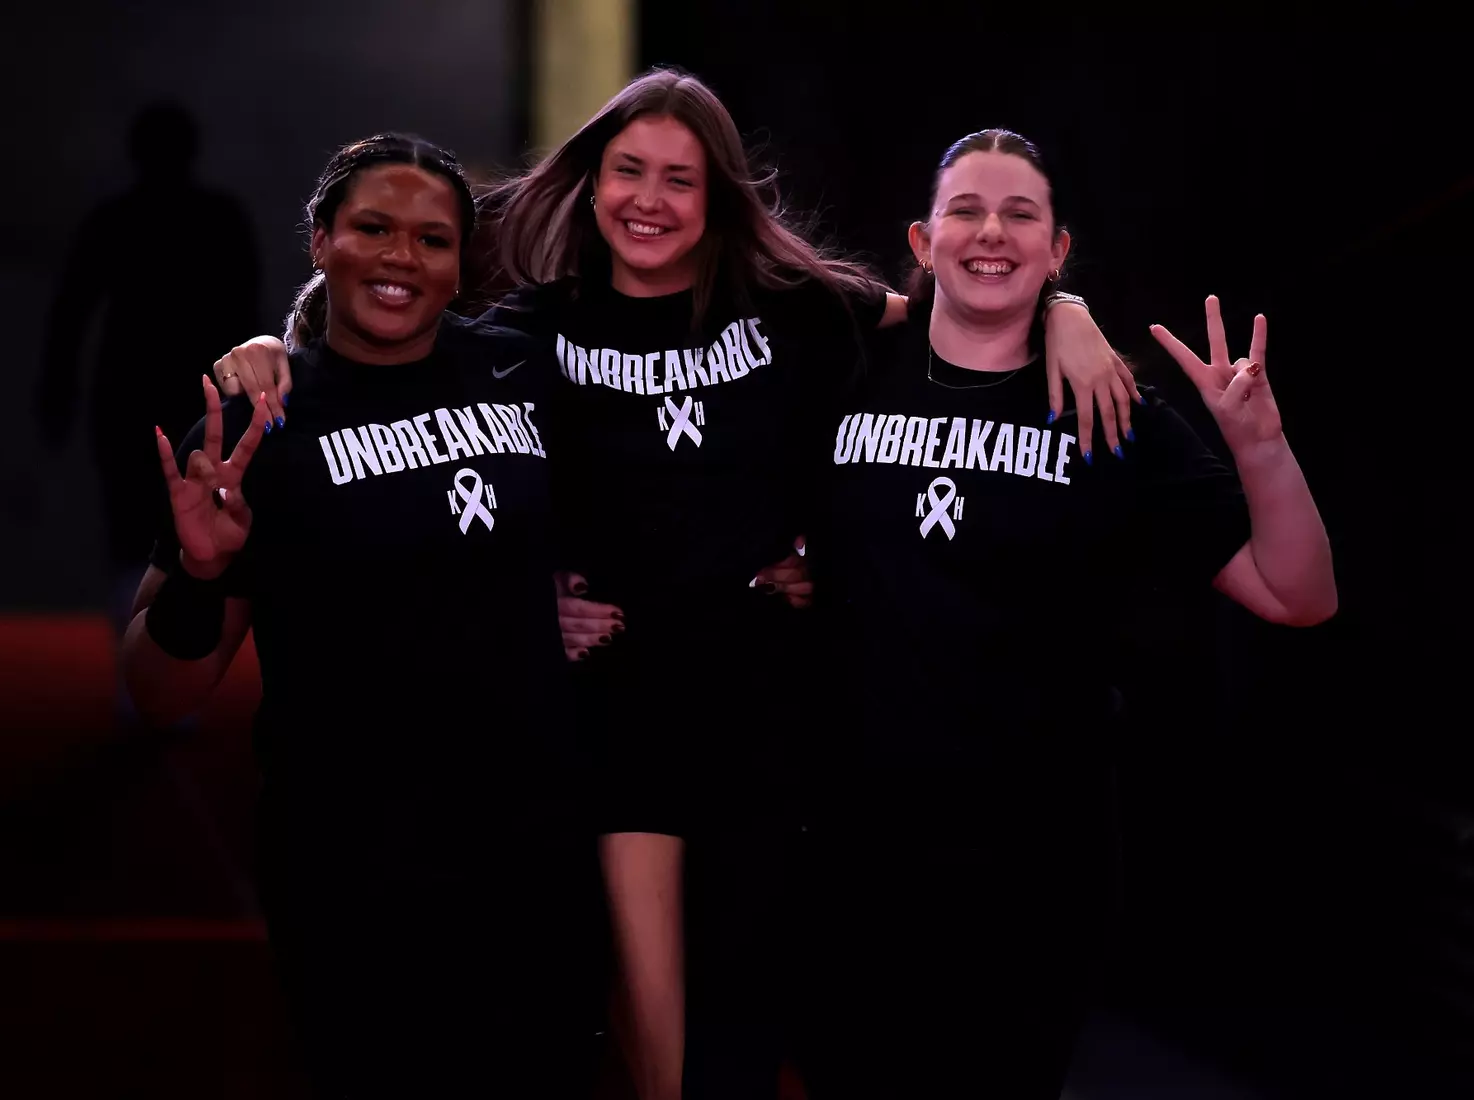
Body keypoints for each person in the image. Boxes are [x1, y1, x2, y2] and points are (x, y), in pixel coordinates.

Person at [208, 69, 1135, 1100]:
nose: (651, 198)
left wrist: (1070, 307)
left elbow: (950, 314)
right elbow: (370, 315)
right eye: (629, 171)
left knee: (744, 1015)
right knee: (653, 1038)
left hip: (762, 709)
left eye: (680, 180)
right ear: (591, 185)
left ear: (717, 199)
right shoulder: (529, 332)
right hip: (620, 711)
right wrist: (267, 343)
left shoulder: (792, 309)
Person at [799, 129, 1337, 1099]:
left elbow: (1297, 593)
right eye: (965, 209)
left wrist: (1261, 446)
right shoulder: (845, 370)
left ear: (1058, 251)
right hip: (853, 850)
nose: (990, 231)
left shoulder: (1107, 404)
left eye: (1019, 214)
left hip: (1033, 858)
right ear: (921, 243)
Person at [120, 134, 601, 1099]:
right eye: (374, 229)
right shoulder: (256, 421)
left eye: (431, 239)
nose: (400, 257)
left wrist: (786, 558)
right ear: (321, 242)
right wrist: (206, 572)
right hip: (349, 862)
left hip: (531, 846)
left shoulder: (523, 369)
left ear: (461, 262)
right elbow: (158, 684)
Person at [39, 102, 262, 635]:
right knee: (167, 524)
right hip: (177, 393)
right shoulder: (215, 217)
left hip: (144, 393)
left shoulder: (121, 219)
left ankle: (153, 649)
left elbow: (69, 315)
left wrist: (56, 391)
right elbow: (248, 312)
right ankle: (154, 648)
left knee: (145, 527)